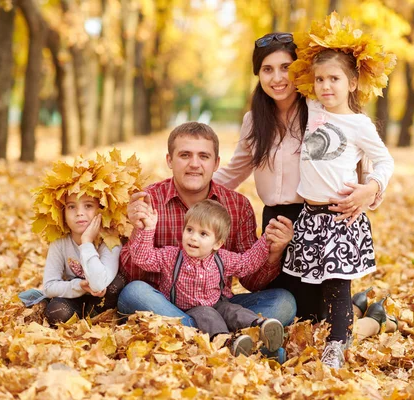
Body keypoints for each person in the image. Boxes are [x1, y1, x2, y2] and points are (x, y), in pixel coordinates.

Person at [212, 31, 397, 344]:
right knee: (294, 315)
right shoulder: (253, 121)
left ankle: (372, 321)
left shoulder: (319, 112)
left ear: (298, 71)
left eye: (285, 67)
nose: (277, 78)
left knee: (318, 321)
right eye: (267, 70)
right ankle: (362, 308)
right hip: (276, 223)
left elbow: (365, 158)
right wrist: (185, 186)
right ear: (258, 75)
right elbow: (233, 172)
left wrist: (370, 191)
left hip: (316, 218)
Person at [281, 12, 396, 368]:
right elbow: (295, 75)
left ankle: (337, 344)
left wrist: (371, 189)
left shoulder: (359, 124)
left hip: (339, 217)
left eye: (334, 78)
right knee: (315, 293)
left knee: (337, 285)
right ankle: (366, 320)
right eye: (319, 79)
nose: (325, 86)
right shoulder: (314, 108)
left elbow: (385, 161)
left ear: (352, 83)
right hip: (309, 218)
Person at [117, 122, 297, 328]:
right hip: (163, 303)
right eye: (185, 155)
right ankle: (226, 338)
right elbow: (130, 275)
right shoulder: (148, 201)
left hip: (217, 306)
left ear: (216, 163)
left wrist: (273, 251)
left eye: (203, 156)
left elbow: (249, 277)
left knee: (283, 302)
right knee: (134, 293)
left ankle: (202, 333)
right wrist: (139, 231)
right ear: (169, 160)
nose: (194, 164)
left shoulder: (237, 205)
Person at [129, 199, 285, 356]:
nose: (193, 238)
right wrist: (148, 229)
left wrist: (266, 241)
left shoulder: (222, 258)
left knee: (233, 310)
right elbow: (144, 259)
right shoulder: (170, 256)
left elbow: (247, 263)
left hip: (217, 303)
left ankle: (260, 326)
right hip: (186, 310)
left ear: (217, 243)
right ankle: (227, 342)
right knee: (207, 315)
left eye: (203, 234)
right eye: (189, 230)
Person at [32, 153, 133, 325]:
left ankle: (103, 319)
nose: (79, 213)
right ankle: (80, 320)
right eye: (71, 207)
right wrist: (78, 286)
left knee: (117, 283)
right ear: (62, 213)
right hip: (75, 298)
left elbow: (99, 284)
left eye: (88, 206)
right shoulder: (60, 242)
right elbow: (49, 286)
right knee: (55, 312)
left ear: (101, 210)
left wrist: (86, 242)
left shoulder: (110, 240)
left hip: (104, 299)